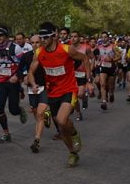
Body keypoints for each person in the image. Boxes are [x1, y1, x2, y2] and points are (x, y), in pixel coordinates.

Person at [27, 22, 86, 168]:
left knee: (61, 120)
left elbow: (84, 58)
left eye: (45, 37)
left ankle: (74, 134)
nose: (43, 41)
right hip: (52, 91)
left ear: (53, 36)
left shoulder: (67, 49)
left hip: (69, 89)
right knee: (60, 127)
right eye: (41, 38)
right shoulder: (39, 53)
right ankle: (72, 152)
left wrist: (88, 80)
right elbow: (30, 72)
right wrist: (33, 84)